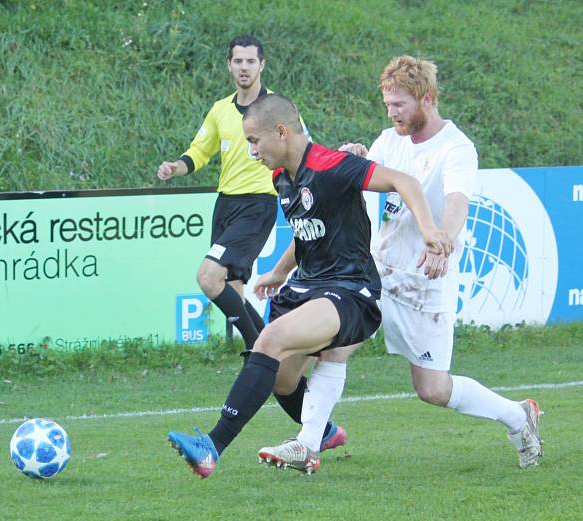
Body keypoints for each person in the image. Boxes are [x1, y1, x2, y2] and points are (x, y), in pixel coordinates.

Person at [166, 93, 453, 478]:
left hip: (351, 291)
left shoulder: (332, 165)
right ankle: (323, 432)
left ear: (281, 132)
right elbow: (307, 235)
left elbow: (403, 181)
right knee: (283, 381)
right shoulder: (280, 178)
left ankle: (211, 448)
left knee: (266, 343)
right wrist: (280, 272)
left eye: (254, 141)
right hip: (308, 287)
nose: (252, 151)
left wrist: (430, 229)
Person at [332, 55, 542, 468]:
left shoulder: (456, 148)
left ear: (426, 99)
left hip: (424, 282)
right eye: (388, 104)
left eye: (399, 105)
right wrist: (356, 157)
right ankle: (309, 441)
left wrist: (440, 242)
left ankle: (519, 416)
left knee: (432, 390)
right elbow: (369, 176)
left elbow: (458, 200)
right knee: (335, 345)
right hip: (378, 274)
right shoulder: (388, 139)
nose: (391, 113)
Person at [157, 35, 346, 452]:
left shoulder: (278, 111)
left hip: (259, 204)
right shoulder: (221, 110)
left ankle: (255, 340)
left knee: (209, 278)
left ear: (262, 65)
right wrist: (179, 165)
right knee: (267, 359)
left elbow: (305, 150)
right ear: (229, 66)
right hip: (225, 205)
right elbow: (200, 149)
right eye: (237, 61)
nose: (243, 67)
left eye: (250, 61)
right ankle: (320, 426)